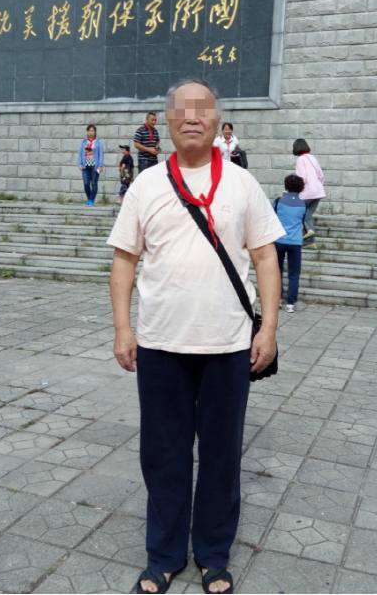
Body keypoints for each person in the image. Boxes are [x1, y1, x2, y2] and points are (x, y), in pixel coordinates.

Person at [107, 77, 284, 595]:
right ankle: (163, 555)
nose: (191, 117)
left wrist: (269, 328)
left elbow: (265, 257)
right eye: (181, 109)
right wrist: (123, 327)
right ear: (167, 119)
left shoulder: (242, 184)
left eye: (202, 109)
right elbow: (124, 261)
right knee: (163, 454)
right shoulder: (146, 186)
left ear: (217, 119)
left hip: (228, 346)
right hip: (160, 346)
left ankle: (213, 553)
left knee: (222, 455)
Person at [274, 174, 306, 314]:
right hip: (295, 242)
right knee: (294, 274)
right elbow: (305, 221)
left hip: (279, 240)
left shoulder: (278, 201)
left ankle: (278, 299)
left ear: (286, 185)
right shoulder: (304, 204)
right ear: (301, 188)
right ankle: (291, 304)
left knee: (277, 271)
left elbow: (271, 217)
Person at [293, 138, 326, 246]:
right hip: (318, 192)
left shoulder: (300, 160)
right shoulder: (313, 158)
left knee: (301, 215)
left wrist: (297, 190)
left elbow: (302, 177)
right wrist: (318, 186)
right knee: (307, 215)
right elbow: (321, 175)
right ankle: (310, 242)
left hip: (307, 193)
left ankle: (309, 232)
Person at [77, 124, 104, 206]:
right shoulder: (84, 142)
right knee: (86, 183)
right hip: (85, 166)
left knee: (94, 183)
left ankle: (91, 200)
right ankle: (89, 198)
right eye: (89, 130)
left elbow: (101, 155)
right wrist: (79, 164)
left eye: (92, 131)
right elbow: (80, 153)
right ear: (87, 131)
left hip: (95, 166)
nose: (90, 132)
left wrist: (100, 165)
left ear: (95, 132)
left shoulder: (98, 142)